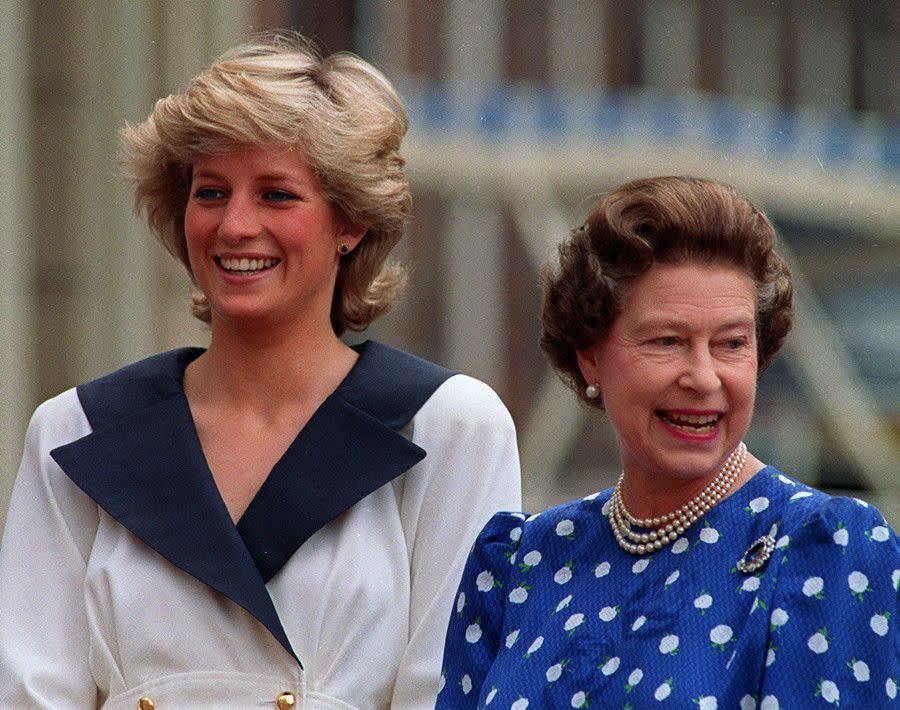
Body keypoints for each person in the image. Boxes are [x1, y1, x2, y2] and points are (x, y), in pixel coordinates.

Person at [0, 34, 521, 709]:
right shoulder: (72, 431)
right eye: (211, 192)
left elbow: (453, 694)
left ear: (352, 222)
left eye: (277, 195)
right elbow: (29, 693)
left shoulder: (452, 428)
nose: (235, 225)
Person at [437, 176, 898, 709]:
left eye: (730, 343)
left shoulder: (824, 552)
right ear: (590, 355)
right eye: (668, 341)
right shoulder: (520, 565)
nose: (703, 378)